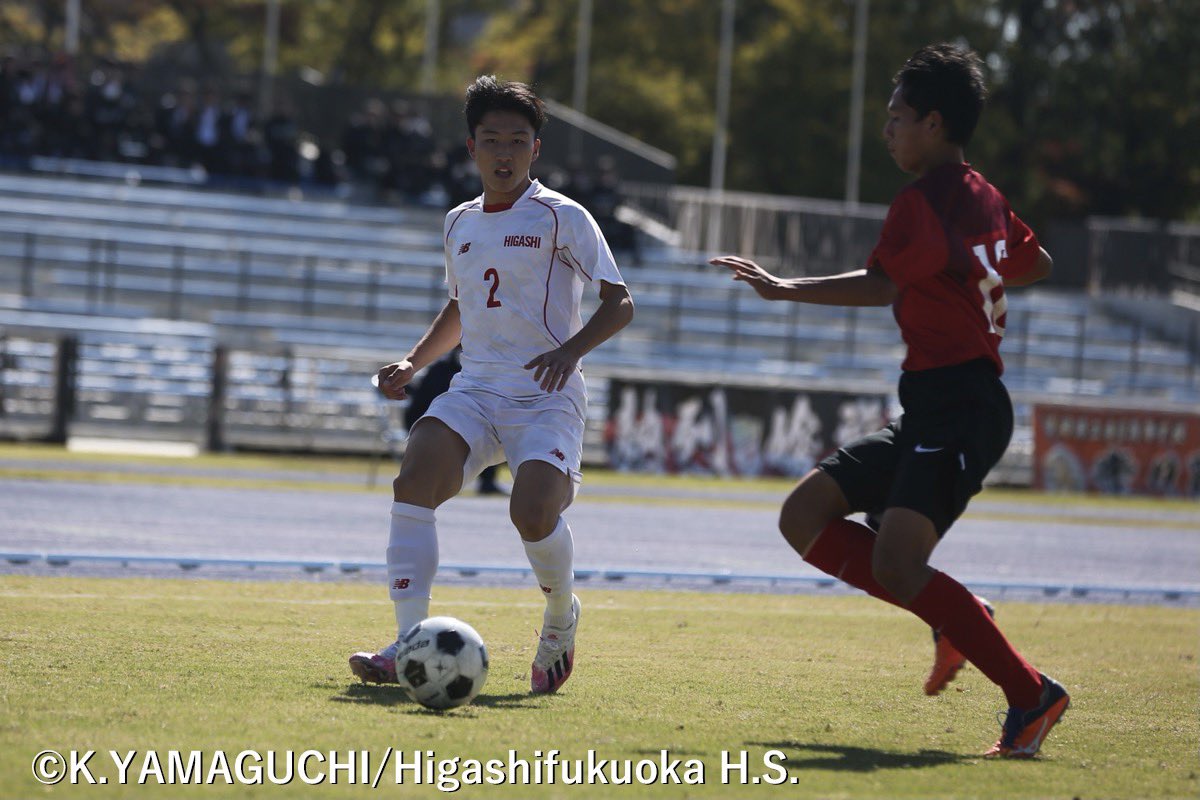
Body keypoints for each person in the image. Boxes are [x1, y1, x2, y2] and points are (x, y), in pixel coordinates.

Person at [711, 43, 1063, 758]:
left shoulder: (923, 202)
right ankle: (954, 616)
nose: (888, 129)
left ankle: (1032, 697)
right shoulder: (983, 196)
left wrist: (784, 289)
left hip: (961, 403)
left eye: (897, 117)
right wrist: (975, 280)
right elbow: (1036, 263)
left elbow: (881, 285)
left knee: (898, 566)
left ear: (934, 123)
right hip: (937, 404)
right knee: (803, 515)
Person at [350, 76, 634, 694]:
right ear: (471, 147)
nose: (503, 152)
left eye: (517, 140)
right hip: (475, 389)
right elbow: (461, 308)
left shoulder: (565, 217)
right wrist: (414, 362)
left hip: (547, 397)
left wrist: (570, 351)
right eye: (491, 140)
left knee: (530, 512)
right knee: (414, 476)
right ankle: (408, 641)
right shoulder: (459, 222)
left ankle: (561, 617)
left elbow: (619, 304)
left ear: (536, 149)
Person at [402, 347, 507, 495]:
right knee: (481, 430)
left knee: (489, 430)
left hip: (456, 419)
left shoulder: (478, 370)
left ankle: (487, 482)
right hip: (428, 419)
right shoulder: (441, 369)